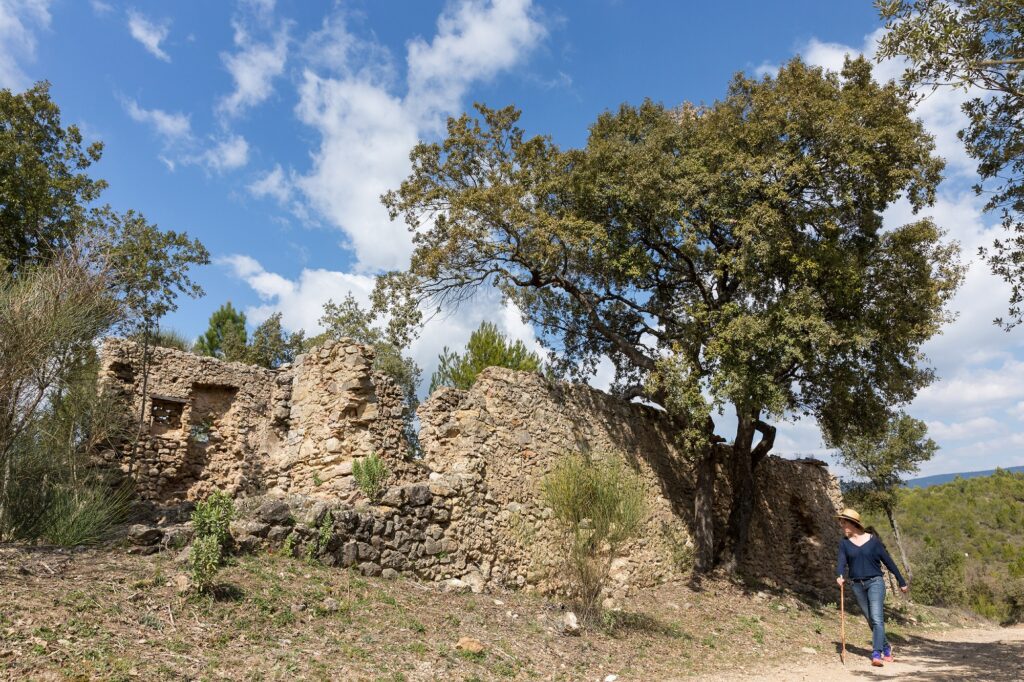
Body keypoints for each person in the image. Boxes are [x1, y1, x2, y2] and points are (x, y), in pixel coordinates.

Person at [835, 507, 909, 667]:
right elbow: (841, 562)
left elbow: (888, 562)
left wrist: (901, 581)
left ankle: (876, 654)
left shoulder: (873, 541)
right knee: (871, 620)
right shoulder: (844, 543)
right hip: (856, 585)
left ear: (853, 524)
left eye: (843, 523)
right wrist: (839, 575)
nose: (841, 526)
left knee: (876, 618)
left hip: (875, 582)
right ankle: (886, 648)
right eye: (841, 523)